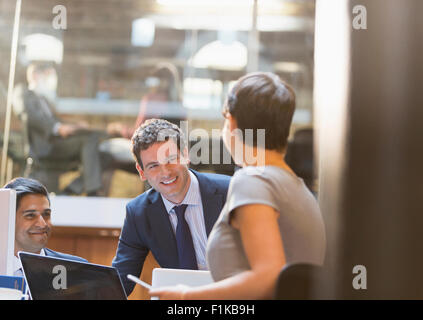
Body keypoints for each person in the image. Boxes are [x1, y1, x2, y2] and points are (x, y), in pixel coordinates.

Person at [149, 72, 326, 300]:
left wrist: (186, 297)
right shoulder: (299, 189)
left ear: (230, 122)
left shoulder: (252, 180)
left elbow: (268, 276)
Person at [112, 119, 230, 296]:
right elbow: (120, 280)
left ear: (185, 155)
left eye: (171, 160)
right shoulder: (138, 213)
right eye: (153, 166)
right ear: (141, 172)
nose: (165, 172)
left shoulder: (230, 191)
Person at [23, 62, 103, 195]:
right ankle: (92, 192)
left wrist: (76, 126)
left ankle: (71, 189)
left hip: (58, 144)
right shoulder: (25, 95)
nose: (52, 81)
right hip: (47, 148)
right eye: (49, 75)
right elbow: (33, 116)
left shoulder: (45, 100)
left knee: (103, 154)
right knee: (90, 139)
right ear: (35, 75)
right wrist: (57, 128)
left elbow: (57, 121)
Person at [3, 177, 87, 278]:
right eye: (31, 215)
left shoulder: (78, 270)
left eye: (46, 214)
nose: (43, 224)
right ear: (8, 218)